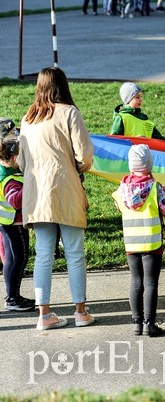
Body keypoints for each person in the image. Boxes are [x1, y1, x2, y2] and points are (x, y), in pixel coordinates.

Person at [18, 67, 95, 330]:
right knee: (75, 253)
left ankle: (44, 315)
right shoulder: (70, 113)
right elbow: (84, 156)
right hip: (65, 187)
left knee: (42, 255)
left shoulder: (28, 118)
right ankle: (80, 312)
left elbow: (21, 161)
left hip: (36, 192)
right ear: (63, 85)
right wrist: (77, 168)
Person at [112, 144, 165, 337]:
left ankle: (136, 323)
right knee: (150, 283)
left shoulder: (122, 189)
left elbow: (118, 206)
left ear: (131, 165)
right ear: (150, 164)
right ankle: (149, 323)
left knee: (135, 281)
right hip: (151, 242)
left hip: (131, 242)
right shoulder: (156, 188)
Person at [0, 118, 35, 311]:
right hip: (13, 223)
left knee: (12, 259)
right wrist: (29, 182)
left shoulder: (3, 168)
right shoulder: (10, 178)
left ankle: (13, 295)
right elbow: (15, 200)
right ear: (14, 158)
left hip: (5, 222)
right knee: (19, 258)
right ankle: (12, 299)